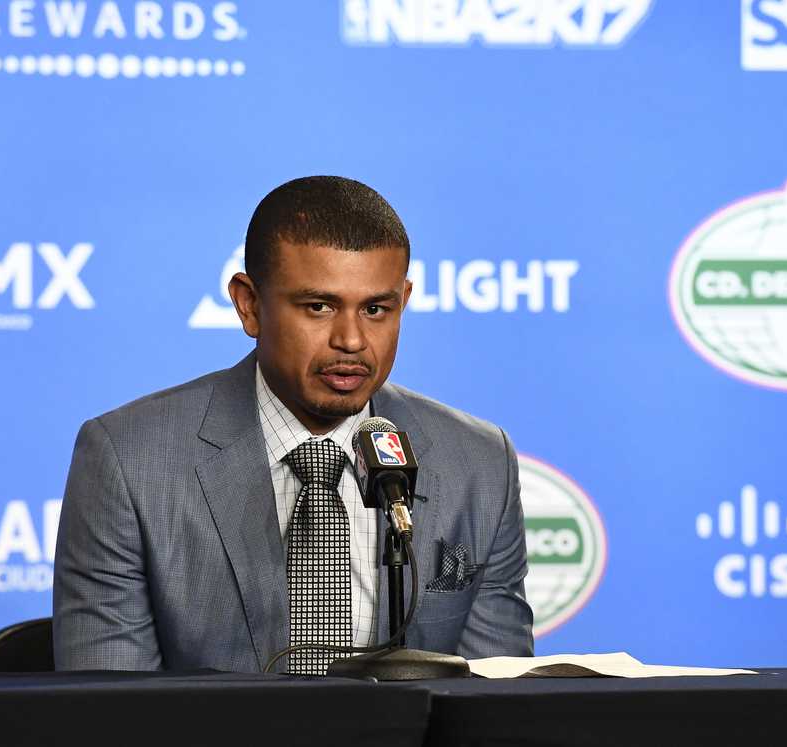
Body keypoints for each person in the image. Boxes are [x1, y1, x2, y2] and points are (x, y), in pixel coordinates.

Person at [53, 176, 533, 673]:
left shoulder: (478, 462)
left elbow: (492, 702)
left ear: (404, 301)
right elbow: (108, 714)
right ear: (249, 304)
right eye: (319, 306)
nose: (351, 340)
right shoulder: (129, 459)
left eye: (375, 309)